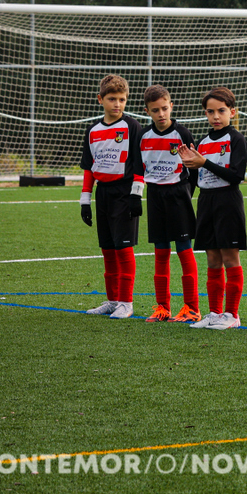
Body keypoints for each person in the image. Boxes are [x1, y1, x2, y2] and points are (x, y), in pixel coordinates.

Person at [180, 87, 247, 331]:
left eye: (221, 111)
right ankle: (214, 313)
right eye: (210, 112)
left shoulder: (236, 139)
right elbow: (197, 176)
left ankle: (232, 314)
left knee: (230, 258)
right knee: (212, 259)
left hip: (228, 201)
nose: (216, 116)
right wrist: (189, 165)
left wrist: (204, 162)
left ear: (232, 111)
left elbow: (236, 176)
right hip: (206, 202)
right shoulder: (203, 141)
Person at [81, 74, 143, 320]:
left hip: (124, 193)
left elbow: (140, 163)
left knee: (123, 249)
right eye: (112, 99)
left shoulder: (132, 126)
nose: (117, 104)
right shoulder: (92, 130)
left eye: (122, 99)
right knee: (107, 249)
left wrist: (136, 194)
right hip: (103, 195)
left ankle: (126, 303)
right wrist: (85, 201)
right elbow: (89, 167)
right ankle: (112, 299)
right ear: (100, 100)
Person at [138, 84, 201, 323]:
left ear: (171, 106)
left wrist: (186, 193)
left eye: (165, 108)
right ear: (148, 111)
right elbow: (138, 167)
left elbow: (194, 168)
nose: (161, 114)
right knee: (160, 251)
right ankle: (162, 307)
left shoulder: (182, 134)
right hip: (154, 195)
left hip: (178, 194)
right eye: (156, 110)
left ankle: (192, 308)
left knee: (184, 248)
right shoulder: (143, 136)